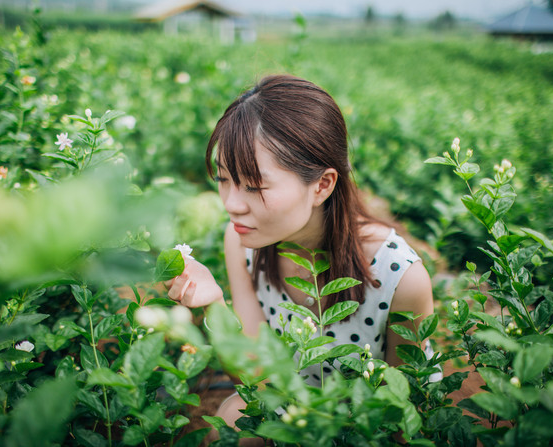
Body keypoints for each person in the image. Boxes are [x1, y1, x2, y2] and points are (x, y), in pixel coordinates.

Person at [164, 74, 435, 433]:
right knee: (234, 421)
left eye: (254, 185)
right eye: (223, 179)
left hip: (365, 427)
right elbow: (257, 380)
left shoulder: (399, 276)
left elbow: (403, 410)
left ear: (322, 185)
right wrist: (214, 304)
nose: (231, 204)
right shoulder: (242, 242)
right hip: (291, 406)